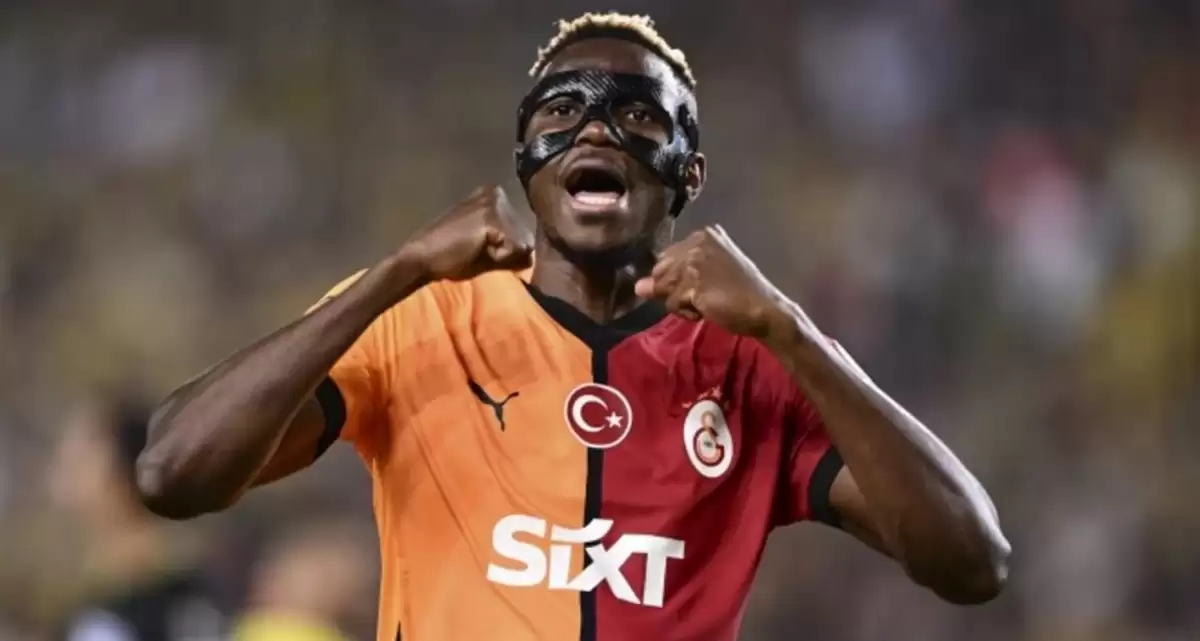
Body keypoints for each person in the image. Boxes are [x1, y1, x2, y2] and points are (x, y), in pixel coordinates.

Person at [136, 12, 1010, 641]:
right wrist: (396, 271)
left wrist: (788, 328)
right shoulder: (422, 314)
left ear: (688, 173)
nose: (596, 129)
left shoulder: (752, 359)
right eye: (562, 110)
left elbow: (973, 563)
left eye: (639, 115)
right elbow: (172, 473)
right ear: (527, 159)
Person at [48, 399, 224, 641]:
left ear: (119, 478)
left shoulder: (168, 595)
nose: (62, 474)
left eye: (78, 460)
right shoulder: (98, 596)